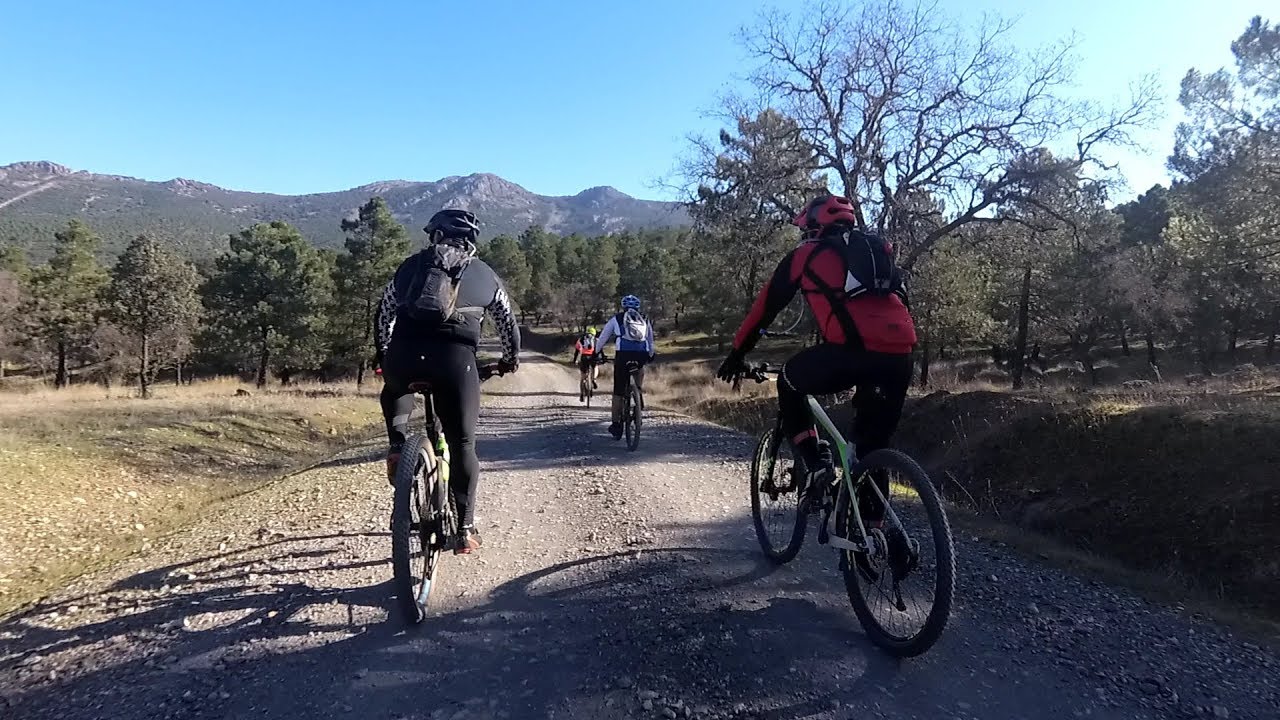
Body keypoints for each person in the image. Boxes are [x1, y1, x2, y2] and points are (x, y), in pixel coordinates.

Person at [714, 195, 917, 527]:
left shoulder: (804, 255)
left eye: (804, 230)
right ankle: (874, 536)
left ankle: (815, 464)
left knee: (789, 380)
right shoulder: (874, 254)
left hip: (851, 353)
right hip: (900, 357)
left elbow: (764, 309)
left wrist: (737, 354)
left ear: (813, 227)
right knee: (872, 447)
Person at [373, 208, 520, 554]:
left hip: (404, 358)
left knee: (395, 387)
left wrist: (384, 355)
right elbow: (507, 324)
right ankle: (465, 529)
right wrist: (509, 360)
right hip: (455, 364)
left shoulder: (409, 267)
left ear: (434, 236)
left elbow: (384, 314)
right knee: (463, 444)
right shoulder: (484, 273)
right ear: (471, 241)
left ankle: (398, 447)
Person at [593, 294, 655, 439]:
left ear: (623, 306)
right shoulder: (644, 318)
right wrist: (651, 354)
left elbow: (603, 337)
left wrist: (596, 352)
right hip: (641, 354)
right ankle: (638, 395)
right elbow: (650, 339)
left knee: (618, 392)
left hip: (623, 354)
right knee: (639, 370)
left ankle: (616, 425)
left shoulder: (617, 318)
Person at [571, 325, 600, 395]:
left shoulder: (581, 340)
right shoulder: (596, 340)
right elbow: (600, 350)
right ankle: (594, 379)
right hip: (593, 357)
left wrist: (575, 360)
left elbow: (577, 351)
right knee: (595, 367)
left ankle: (582, 393)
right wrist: (602, 358)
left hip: (584, 357)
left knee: (583, 376)